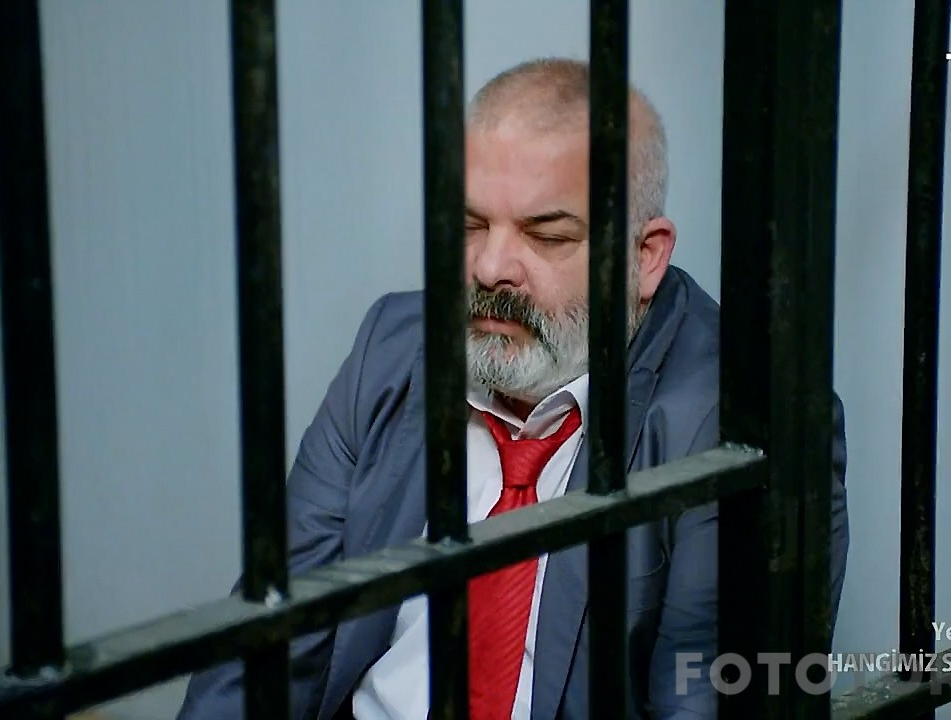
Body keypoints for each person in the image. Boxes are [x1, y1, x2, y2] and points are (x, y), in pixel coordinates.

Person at [176, 57, 849, 720]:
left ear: (645, 258)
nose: (491, 267)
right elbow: (268, 648)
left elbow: (702, 703)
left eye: (547, 235)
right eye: (471, 225)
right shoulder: (392, 347)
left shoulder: (739, 415)